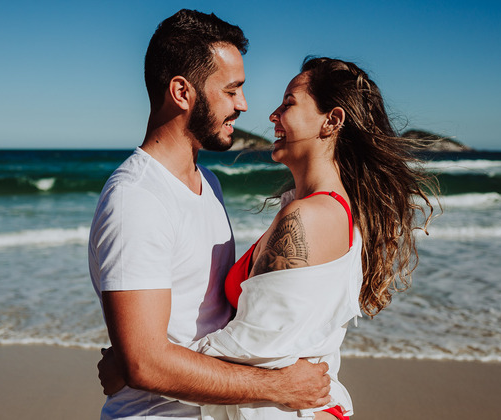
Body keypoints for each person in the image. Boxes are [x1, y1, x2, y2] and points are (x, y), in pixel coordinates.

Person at [100, 55, 439, 419]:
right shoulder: (326, 210)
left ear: (332, 121)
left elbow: (250, 348)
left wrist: (139, 364)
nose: (272, 115)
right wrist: (144, 359)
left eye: (289, 104)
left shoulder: (307, 218)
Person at [88, 9, 332, 420]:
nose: (243, 104)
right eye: (232, 89)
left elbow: (209, 314)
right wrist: (279, 387)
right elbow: (145, 364)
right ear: (182, 92)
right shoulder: (136, 199)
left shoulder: (208, 183)